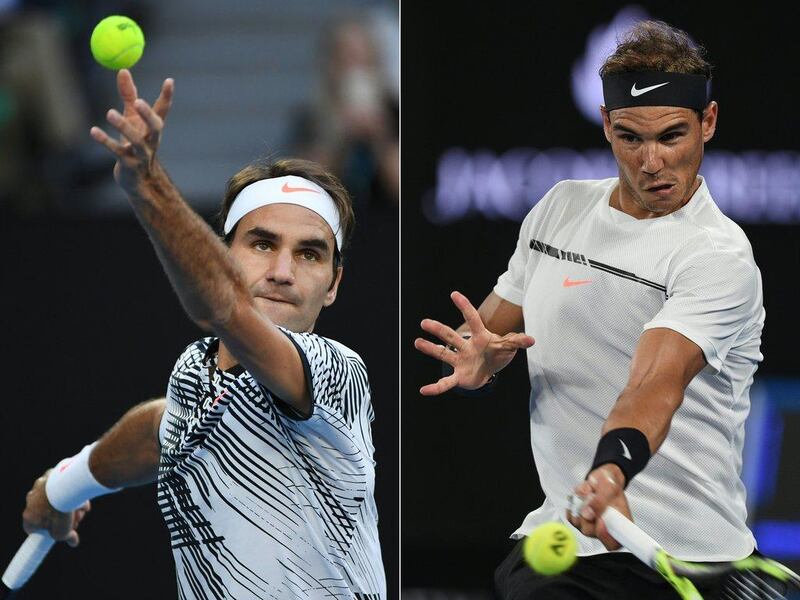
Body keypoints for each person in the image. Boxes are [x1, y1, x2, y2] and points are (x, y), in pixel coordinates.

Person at [415, 20, 764, 599]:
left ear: (708, 122)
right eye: (630, 136)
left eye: (672, 135)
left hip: (686, 556)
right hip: (571, 542)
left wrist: (612, 469)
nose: (651, 160)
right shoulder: (559, 209)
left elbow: (655, 383)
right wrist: (478, 358)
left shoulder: (716, 255)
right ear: (606, 125)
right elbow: (491, 330)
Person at [21, 69, 386, 599]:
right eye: (262, 244)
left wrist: (148, 185)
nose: (283, 270)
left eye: (310, 254)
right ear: (225, 252)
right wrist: (62, 487)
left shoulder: (334, 373)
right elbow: (160, 431)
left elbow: (225, 308)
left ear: (333, 285)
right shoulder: (195, 376)